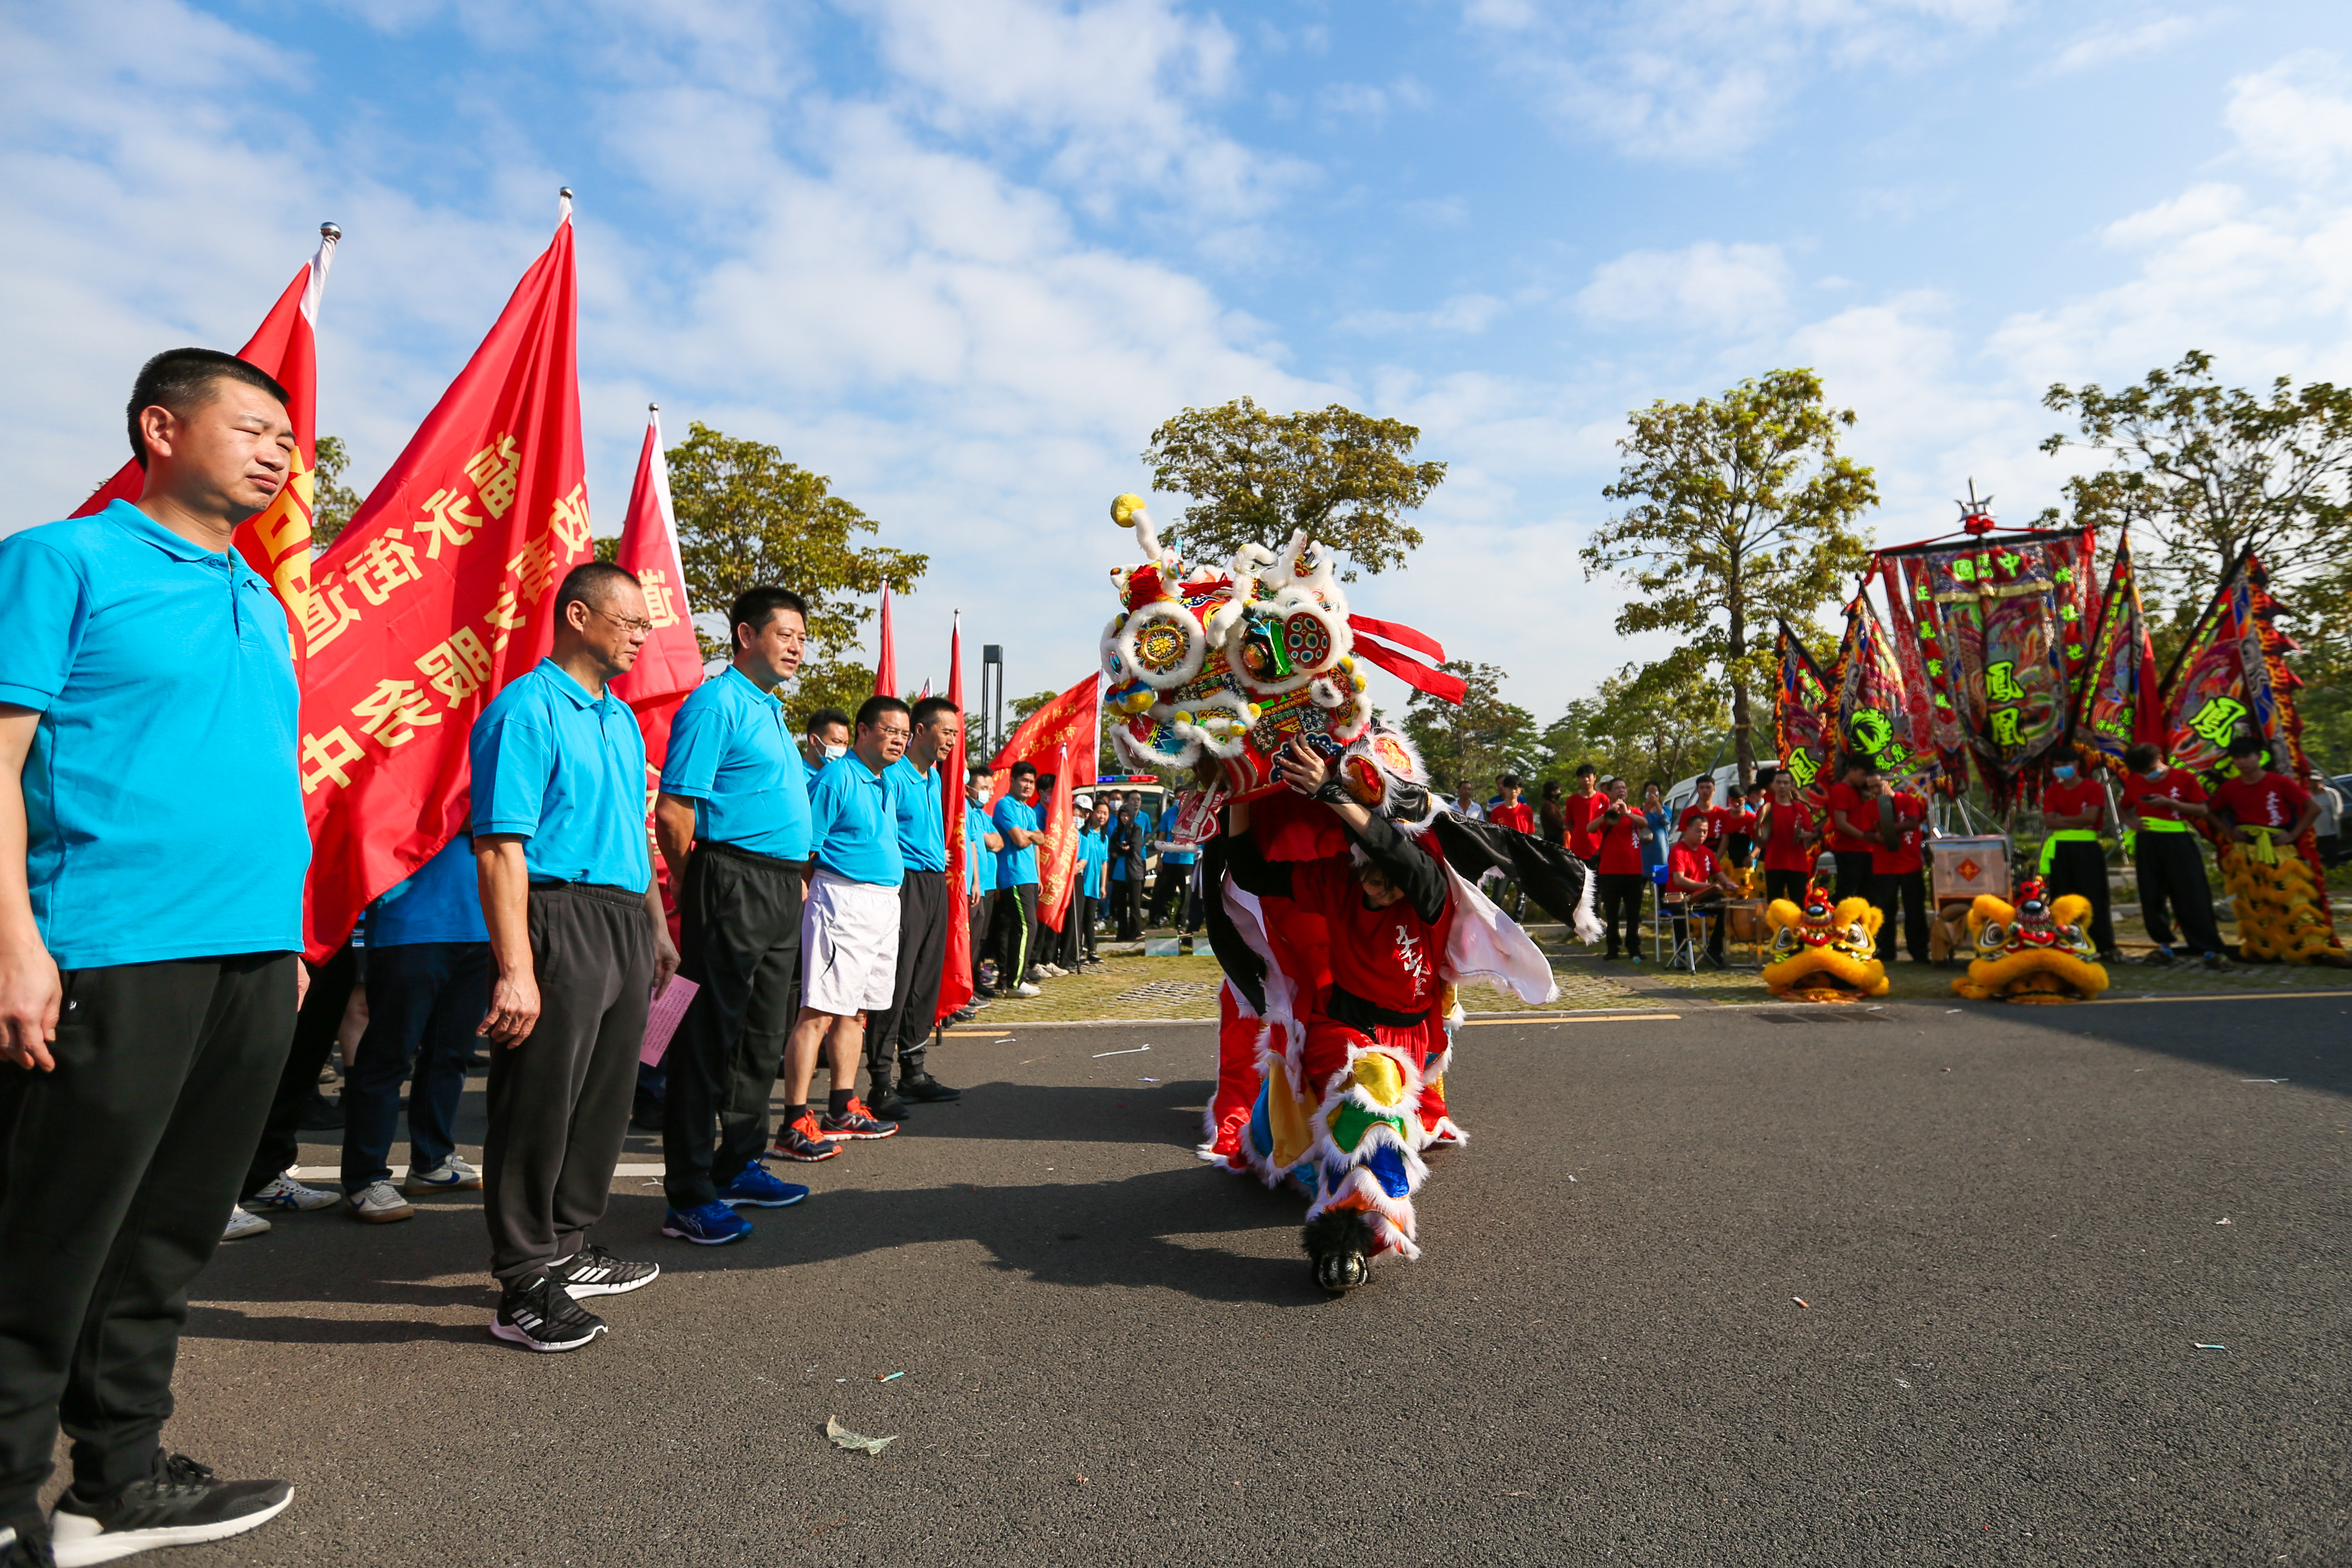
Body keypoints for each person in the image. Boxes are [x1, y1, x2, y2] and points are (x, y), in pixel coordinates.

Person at [0, 348, 311, 1562]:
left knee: (169, 1233)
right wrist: (14, 938)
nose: (282, 451)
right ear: (160, 428)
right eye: (255, 427)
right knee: (53, 1232)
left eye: (289, 437)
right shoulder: (62, 560)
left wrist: (283, 944)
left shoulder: (261, 598)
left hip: (250, 962)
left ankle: (116, 1478)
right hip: (107, 949)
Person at [470, 561, 681, 1351]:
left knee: (603, 1097)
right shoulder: (525, 710)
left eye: (644, 624)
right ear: (579, 616)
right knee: (539, 1099)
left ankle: (569, 1243)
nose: (640, 635)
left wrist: (656, 926)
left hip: (625, 914)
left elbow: (632, 830)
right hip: (559, 912)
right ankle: (522, 1282)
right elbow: (500, 846)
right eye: (628, 620)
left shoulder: (620, 719)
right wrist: (517, 965)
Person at [1222, 741, 1460, 1293]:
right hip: (1346, 1025)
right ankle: (1348, 1237)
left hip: (1412, 1032)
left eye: (1388, 874)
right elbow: (1253, 871)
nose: (1380, 884)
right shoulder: (1338, 879)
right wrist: (1241, 793)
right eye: (1370, 874)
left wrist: (1329, 788)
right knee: (1370, 1092)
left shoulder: (1428, 886)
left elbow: (1403, 862)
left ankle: (1269, 1136)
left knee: (1312, 1127)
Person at [647, 586, 817, 1247]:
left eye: (804, 636)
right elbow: (673, 811)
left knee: (761, 1038)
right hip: (728, 879)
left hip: (776, 887)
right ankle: (688, 1194)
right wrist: (701, 886)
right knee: (706, 1042)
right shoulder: (716, 703)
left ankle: (738, 1163)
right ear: (746, 635)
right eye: (786, 634)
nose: (798, 646)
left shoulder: (768, 709)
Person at [775, 696, 912, 1159]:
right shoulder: (837, 777)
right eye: (890, 730)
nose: (898, 739)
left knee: (856, 1012)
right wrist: (809, 899)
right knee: (818, 1012)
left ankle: (841, 1106)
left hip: (881, 903)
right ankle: (794, 1120)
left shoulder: (885, 781)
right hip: (842, 900)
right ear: (863, 731)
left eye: (904, 733)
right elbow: (805, 848)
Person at [339, 836, 492, 1225]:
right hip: (409, 925)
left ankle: (432, 1160)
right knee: (388, 1057)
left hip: (480, 925)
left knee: (451, 1055)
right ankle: (365, 1177)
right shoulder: (408, 774)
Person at [862, 696, 966, 1122]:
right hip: (902, 883)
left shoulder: (935, 777)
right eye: (946, 733)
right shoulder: (892, 776)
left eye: (957, 735)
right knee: (897, 980)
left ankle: (915, 1072)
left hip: (933, 884)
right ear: (919, 731)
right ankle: (880, 1081)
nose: (952, 742)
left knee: (925, 978)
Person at [2117, 742, 2225, 966]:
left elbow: (2202, 809)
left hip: (2177, 839)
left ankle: (2207, 947)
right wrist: (2130, 822)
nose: (2148, 776)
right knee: (2152, 893)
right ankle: (2163, 946)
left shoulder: (2184, 778)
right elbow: (2124, 804)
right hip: (2148, 840)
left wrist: (2171, 804)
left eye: (2149, 770)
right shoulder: (2136, 781)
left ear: (2158, 759)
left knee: (2191, 892)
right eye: (2142, 773)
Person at [2038, 757, 2119, 961]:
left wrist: (2062, 820)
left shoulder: (2093, 788)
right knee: (2061, 896)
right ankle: (2066, 941)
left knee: (2094, 896)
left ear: (2075, 766)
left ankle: (2103, 944)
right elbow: (2049, 821)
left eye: (2063, 764)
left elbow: (2091, 818)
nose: (2060, 769)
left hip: (2087, 848)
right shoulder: (2053, 792)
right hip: (2061, 849)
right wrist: (2076, 821)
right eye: (2056, 766)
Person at [989, 763, 1045, 994]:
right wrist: (1028, 835)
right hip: (1014, 875)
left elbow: (1041, 839)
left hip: (1030, 876)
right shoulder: (1005, 805)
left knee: (1013, 929)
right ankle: (1015, 982)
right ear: (1012, 781)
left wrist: (1027, 834)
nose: (1028, 786)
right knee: (1026, 927)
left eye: (1032, 782)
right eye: (1024, 780)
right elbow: (1021, 841)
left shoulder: (1029, 811)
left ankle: (1006, 978)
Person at [1665, 813, 1739, 967]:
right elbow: (1679, 880)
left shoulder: (1707, 852)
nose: (1702, 835)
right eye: (1699, 831)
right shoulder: (1678, 851)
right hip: (1677, 896)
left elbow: (1721, 876)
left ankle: (1714, 950)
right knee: (1680, 909)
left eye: (1705, 832)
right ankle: (1682, 952)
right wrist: (1708, 887)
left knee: (1725, 907)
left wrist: (1728, 884)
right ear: (1688, 830)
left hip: (1700, 896)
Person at [1872, 777, 1931, 964]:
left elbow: (1913, 822)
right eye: (1871, 787)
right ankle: (1886, 950)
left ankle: (1919, 951)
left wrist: (1889, 830)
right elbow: (1868, 833)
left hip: (1910, 865)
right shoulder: (1870, 807)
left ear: (1887, 782)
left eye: (1878, 784)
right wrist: (1879, 836)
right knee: (1885, 910)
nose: (1875, 789)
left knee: (1915, 910)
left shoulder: (1907, 800)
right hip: (1884, 867)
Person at [1591, 777, 1650, 961]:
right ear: (1610, 792)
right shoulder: (1604, 812)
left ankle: (1634, 947)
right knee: (1612, 913)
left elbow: (1644, 824)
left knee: (1634, 913)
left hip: (1633, 871)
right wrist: (1606, 814)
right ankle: (1613, 948)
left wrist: (1627, 814)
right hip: (1609, 871)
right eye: (1617, 788)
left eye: (1624, 787)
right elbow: (1590, 828)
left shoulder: (1635, 811)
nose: (1621, 790)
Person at [1754, 768, 1818, 907]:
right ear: (1774, 785)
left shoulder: (1801, 809)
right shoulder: (1766, 810)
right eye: (1779, 783)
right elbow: (1759, 838)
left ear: (1791, 785)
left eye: (1786, 783)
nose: (1782, 786)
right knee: (1776, 906)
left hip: (1798, 864)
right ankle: (1778, 930)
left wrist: (1807, 835)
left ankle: (1798, 930)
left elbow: (1811, 833)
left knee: (1798, 905)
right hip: (1774, 864)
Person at [965, 769, 1002, 997]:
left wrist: (989, 841)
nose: (988, 793)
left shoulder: (983, 816)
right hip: (972, 886)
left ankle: (975, 982)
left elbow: (998, 843)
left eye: (990, 789)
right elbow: (982, 843)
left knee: (981, 938)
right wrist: (989, 841)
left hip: (987, 885)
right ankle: (966, 986)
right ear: (970, 788)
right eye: (984, 788)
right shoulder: (968, 812)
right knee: (971, 939)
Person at [1823, 756, 1880, 904]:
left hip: (1867, 850)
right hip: (1849, 851)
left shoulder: (1860, 792)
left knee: (1868, 894)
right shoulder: (1841, 790)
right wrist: (1865, 836)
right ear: (1851, 771)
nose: (1865, 779)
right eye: (1863, 775)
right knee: (1847, 893)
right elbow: (1841, 823)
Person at [1109, 792, 1147, 942]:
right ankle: (1122, 934)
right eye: (1122, 815)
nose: (1125, 818)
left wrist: (1122, 849)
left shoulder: (1137, 829)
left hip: (1134, 872)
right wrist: (1121, 848)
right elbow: (1112, 847)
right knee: (1121, 905)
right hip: (1119, 873)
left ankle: (1136, 932)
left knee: (1135, 904)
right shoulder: (1118, 830)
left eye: (1127, 816)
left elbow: (1135, 849)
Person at [1076, 800, 1111, 963]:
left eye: (1105, 813)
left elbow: (1104, 862)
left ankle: (1091, 949)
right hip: (1082, 880)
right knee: (1079, 918)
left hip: (1095, 883)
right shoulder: (1083, 834)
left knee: (1090, 917)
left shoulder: (1105, 838)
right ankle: (1077, 950)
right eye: (1099, 812)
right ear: (1092, 813)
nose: (1102, 816)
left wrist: (1103, 885)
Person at [1563, 763, 1603, 861]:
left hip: (1599, 847)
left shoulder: (1603, 799)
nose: (1586, 780)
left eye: (1589, 776)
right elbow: (1569, 822)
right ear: (1579, 780)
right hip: (1579, 849)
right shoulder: (1572, 801)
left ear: (1595, 778)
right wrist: (1578, 837)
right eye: (1582, 777)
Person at [800, 708, 850, 777]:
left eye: (846, 744)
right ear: (814, 740)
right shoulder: (795, 776)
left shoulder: (841, 778)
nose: (842, 748)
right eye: (837, 742)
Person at [1721, 783, 1757, 871]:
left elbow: (1759, 843)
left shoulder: (1752, 818)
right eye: (1732, 800)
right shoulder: (1724, 816)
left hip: (1745, 862)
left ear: (1745, 799)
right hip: (1726, 861)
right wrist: (1716, 861)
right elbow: (1724, 842)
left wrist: (1752, 856)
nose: (1736, 804)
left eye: (1739, 801)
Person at [1640, 780, 1670, 873]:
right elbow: (1637, 824)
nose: (1652, 796)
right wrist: (1645, 812)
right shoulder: (1640, 811)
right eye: (1649, 793)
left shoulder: (1666, 810)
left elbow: (1666, 821)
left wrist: (1657, 804)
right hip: (1644, 854)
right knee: (1641, 883)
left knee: (1661, 884)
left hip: (1661, 854)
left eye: (1655, 793)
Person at [1538, 779, 1568, 848]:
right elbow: (1560, 823)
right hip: (1553, 841)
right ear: (1553, 792)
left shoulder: (1554, 805)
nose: (1560, 792)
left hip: (1557, 840)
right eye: (1558, 790)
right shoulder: (1548, 806)